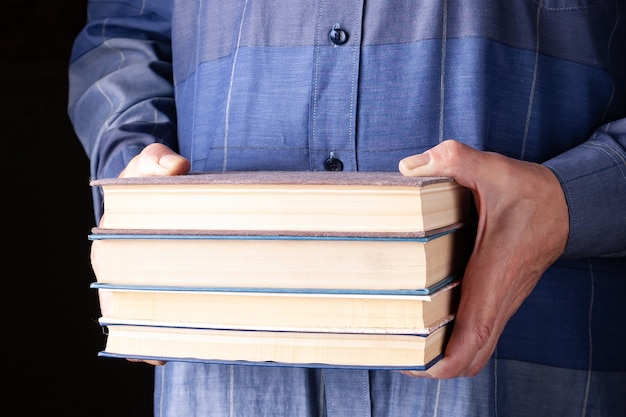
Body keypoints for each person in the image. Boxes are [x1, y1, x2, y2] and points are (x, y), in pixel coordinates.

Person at [68, 1, 626, 416]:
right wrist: (133, 174)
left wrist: (563, 202)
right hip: (221, 386)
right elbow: (121, 38)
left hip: (530, 369)